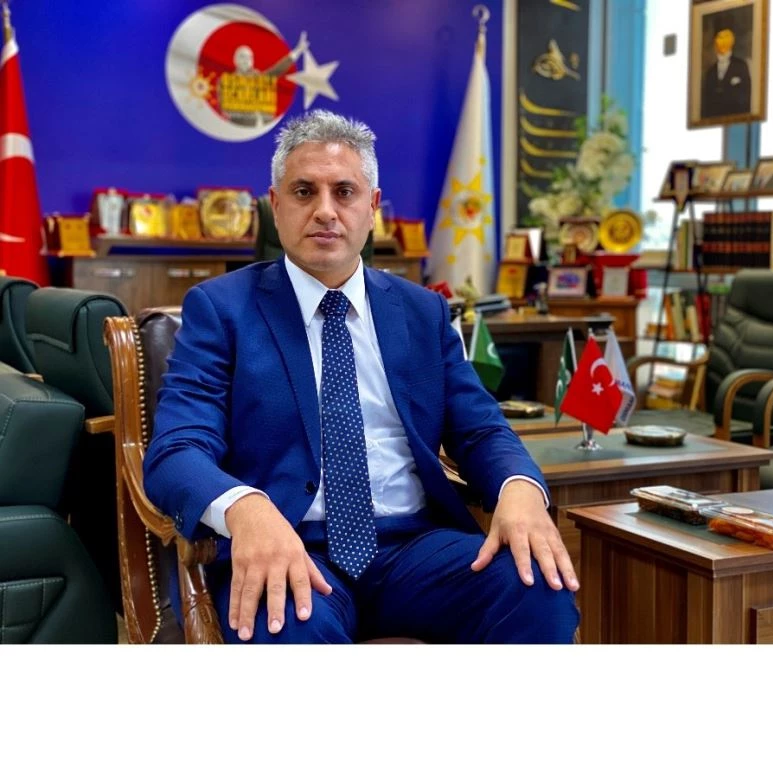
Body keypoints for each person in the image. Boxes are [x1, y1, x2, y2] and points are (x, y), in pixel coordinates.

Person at [143, 109, 580, 644]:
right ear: (276, 206)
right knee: (281, 623)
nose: (325, 211)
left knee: (538, 585)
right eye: (304, 192)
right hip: (288, 543)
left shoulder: (422, 312)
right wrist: (246, 508)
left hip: (414, 548)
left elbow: (481, 429)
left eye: (344, 192)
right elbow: (176, 451)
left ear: (372, 208)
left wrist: (519, 488)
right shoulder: (221, 309)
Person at [701, 18, 751, 120]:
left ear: (732, 40)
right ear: (715, 41)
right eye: (720, 37)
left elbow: (746, 98)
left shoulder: (741, 66)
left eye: (726, 37)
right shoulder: (710, 73)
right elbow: (706, 105)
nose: (723, 41)